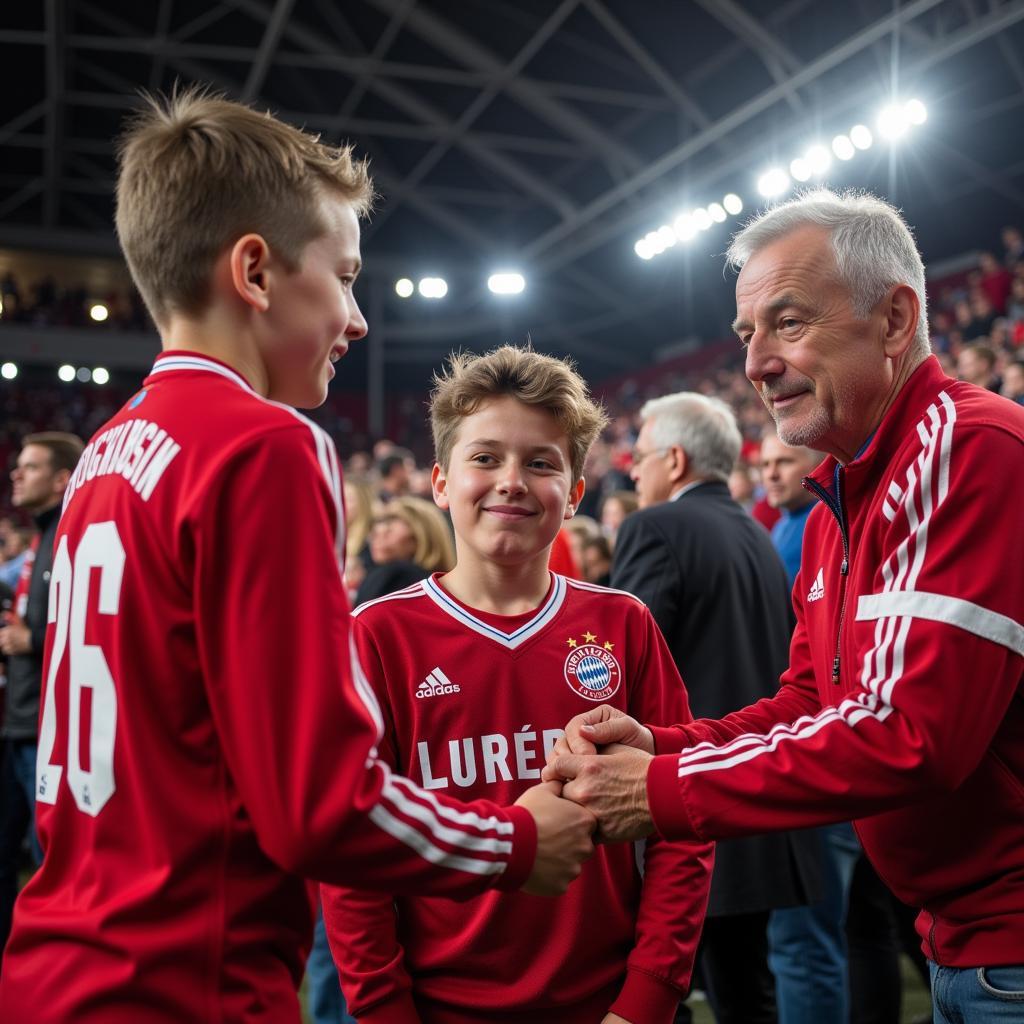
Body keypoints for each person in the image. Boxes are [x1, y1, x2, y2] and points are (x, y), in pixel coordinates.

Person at [0, 90, 594, 1023]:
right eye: (346, 276)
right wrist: (513, 842)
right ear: (255, 272)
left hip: (60, 961)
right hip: (184, 980)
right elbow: (321, 804)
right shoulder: (261, 443)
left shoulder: (107, 449)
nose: (357, 318)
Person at [545, 188, 1024, 1022]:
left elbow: (910, 735)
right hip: (966, 942)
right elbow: (810, 703)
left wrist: (660, 788)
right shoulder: (843, 497)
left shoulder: (967, 448)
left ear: (895, 319)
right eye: (746, 334)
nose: (756, 362)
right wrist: (660, 741)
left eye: (789, 322)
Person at [322, 346, 713, 1024]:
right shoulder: (375, 636)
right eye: (485, 458)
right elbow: (353, 860)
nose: (511, 481)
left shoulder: (624, 623)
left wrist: (648, 999)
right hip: (442, 1007)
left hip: (610, 1006)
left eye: (540, 462)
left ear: (575, 494)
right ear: (440, 483)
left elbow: (681, 825)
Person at [612, 393, 819, 1024]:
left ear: (673, 460)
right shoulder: (758, 533)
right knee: (748, 992)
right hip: (751, 797)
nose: (633, 472)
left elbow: (618, 670)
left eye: (640, 459)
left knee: (664, 995)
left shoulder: (655, 527)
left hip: (685, 803)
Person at [759, 430, 863, 1023]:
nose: (772, 474)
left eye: (783, 463)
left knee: (806, 941)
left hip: (828, 762)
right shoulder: (785, 529)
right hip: (818, 743)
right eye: (766, 464)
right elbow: (803, 678)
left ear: (815, 467)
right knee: (847, 931)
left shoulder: (821, 521)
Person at [0, 432, 83, 961]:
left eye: (28, 467)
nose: (15, 475)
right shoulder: (41, 536)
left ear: (59, 479)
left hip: (45, 729)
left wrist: (31, 639)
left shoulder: (66, 535)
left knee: (47, 861)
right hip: (22, 721)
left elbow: (88, 628)